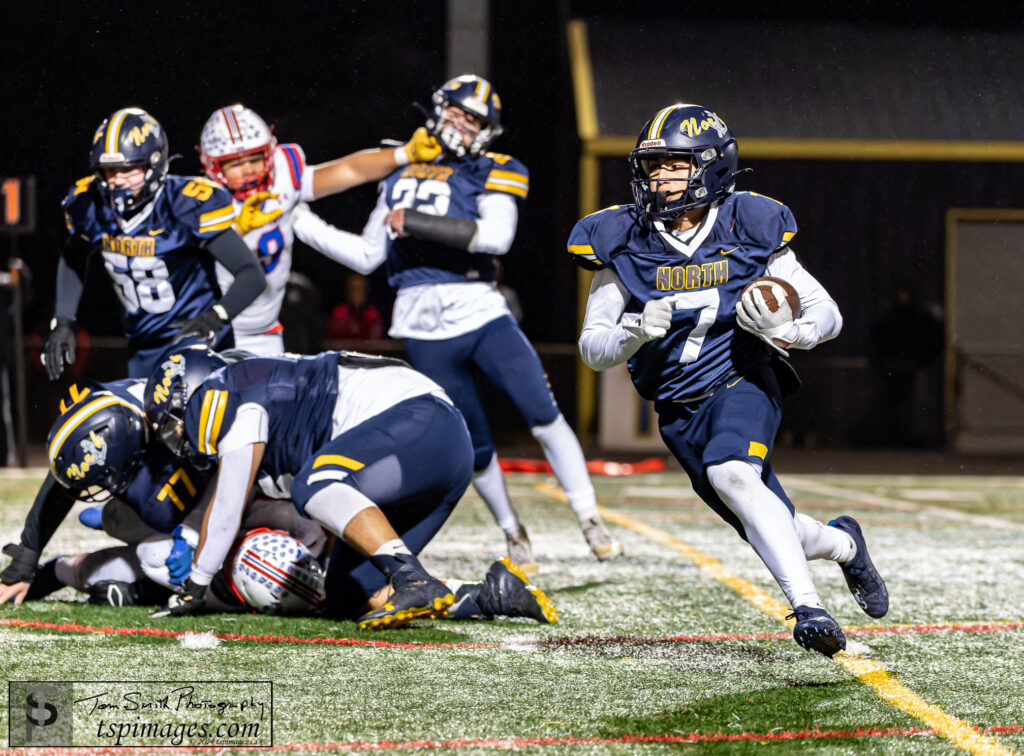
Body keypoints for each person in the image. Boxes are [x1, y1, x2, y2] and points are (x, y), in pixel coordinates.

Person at [569, 104, 889, 658]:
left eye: (674, 166)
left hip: (742, 378)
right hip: (677, 410)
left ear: (711, 167)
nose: (658, 179)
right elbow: (593, 351)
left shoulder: (747, 223)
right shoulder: (621, 236)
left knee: (732, 473)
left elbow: (827, 313)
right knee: (771, 525)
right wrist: (634, 333)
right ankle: (843, 543)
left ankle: (809, 609)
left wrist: (790, 332)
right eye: (653, 167)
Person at [287, 75, 622, 572]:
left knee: (542, 413)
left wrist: (414, 221)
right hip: (421, 321)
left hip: (479, 310)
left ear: (488, 131)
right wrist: (295, 218)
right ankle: (512, 529)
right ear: (438, 110)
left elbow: (496, 237)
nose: (463, 125)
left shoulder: (493, 168)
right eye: (458, 112)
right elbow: (363, 256)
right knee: (476, 443)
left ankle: (590, 516)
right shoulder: (398, 165)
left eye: (475, 120)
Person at [142, 344, 541, 629]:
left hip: (420, 421)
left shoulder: (222, 391)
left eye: (173, 424)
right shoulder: (261, 389)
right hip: (437, 447)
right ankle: (491, 595)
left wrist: (194, 586)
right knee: (351, 591)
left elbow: (228, 507)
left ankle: (412, 578)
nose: (179, 437)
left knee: (312, 484)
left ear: (189, 395)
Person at [43, 108, 267, 380]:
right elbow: (73, 258)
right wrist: (63, 320)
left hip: (196, 346)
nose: (116, 180)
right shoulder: (92, 204)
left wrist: (216, 317)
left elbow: (251, 273)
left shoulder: (183, 204)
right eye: (109, 170)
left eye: (128, 169)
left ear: (155, 163)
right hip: (141, 349)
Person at [198, 104, 439, 355]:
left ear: (269, 153)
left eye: (254, 158)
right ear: (212, 167)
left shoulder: (284, 176)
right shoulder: (198, 201)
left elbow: (348, 169)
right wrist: (234, 229)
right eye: (234, 163)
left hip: (266, 331)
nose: (247, 170)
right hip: (214, 328)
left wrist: (405, 154)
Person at [0, 379, 212, 606]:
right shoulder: (99, 410)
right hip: (178, 499)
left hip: (233, 505)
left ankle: (145, 590)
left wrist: (191, 531)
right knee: (124, 526)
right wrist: (27, 556)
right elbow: (70, 467)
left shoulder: (179, 415)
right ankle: (64, 570)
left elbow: (233, 482)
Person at [325, 273, 385, 341]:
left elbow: (376, 341)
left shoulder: (373, 314)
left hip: (366, 351)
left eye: (360, 289)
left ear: (365, 291)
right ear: (347, 291)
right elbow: (331, 339)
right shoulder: (338, 313)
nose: (356, 293)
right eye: (353, 289)